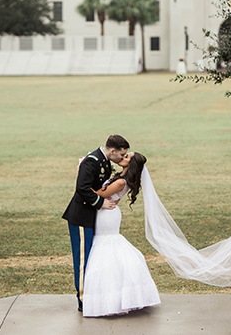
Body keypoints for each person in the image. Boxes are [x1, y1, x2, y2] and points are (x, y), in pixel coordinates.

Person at [83, 152, 161, 317]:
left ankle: (111, 298)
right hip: (106, 211)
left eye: (126, 157)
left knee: (107, 248)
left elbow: (99, 194)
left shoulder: (120, 182)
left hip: (107, 216)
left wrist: (82, 172)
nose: (122, 158)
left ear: (131, 164)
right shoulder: (119, 178)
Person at [62, 135, 130, 312]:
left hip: (91, 217)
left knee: (91, 259)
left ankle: (92, 296)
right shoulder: (92, 161)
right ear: (112, 151)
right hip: (82, 217)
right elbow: (82, 188)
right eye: (122, 155)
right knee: (83, 260)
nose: (123, 158)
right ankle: (83, 300)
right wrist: (101, 203)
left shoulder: (105, 161)